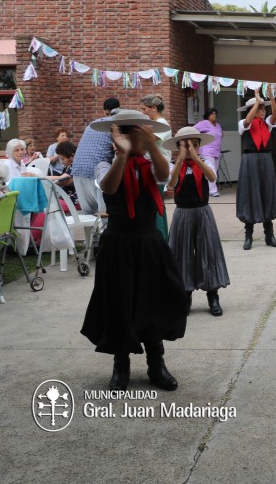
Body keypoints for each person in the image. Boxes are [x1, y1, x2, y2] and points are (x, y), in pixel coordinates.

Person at [80, 110, 187, 391]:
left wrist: (152, 144)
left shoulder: (151, 164)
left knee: (153, 302)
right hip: (118, 245)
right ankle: (121, 365)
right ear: (117, 139)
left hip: (149, 243)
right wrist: (124, 155)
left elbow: (166, 178)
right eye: (129, 135)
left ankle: (156, 364)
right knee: (120, 303)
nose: (135, 140)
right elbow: (110, 187)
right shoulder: (105, 165)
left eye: (139, 134)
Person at [165, 127, 230, 317]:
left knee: (208, 252)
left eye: (195, 144)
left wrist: (196, 158)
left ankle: (213, 296)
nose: (190, 148)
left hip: (202, 211)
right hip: (182, 213)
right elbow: (171, 183)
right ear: (178, 146)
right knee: (182, 253)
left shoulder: (206, 161)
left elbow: (211, 177)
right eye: (186, 145)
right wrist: (181, 158)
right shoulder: (172, 164)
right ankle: (185, 296)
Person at [237, 87, 276, 250]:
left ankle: (269, 235)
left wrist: (271, 98)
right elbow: (248, 122)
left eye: (263, 108)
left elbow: (275, 116)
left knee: (267, 193)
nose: (263, 111)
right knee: (250, 194)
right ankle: (248, 236)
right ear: (253, 109)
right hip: (250, 160)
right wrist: (257, 102)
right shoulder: (243, 123)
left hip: (265, 160)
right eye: (261, 108)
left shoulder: (266, 124)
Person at [74, 97, 121, 216]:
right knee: (104, 214)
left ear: (105, 110)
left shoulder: (93, 124)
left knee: (88, 216)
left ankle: (90, 235)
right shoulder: (116, 125)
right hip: (98, 172)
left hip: (78, 170)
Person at [140, 94, 172, 241]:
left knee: (156, 205)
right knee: (157, 205)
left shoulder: (162, 124)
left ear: (153, 108)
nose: (143, 112)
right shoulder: (154, 124)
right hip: (152, 169)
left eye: (144, 109)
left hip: (156, 170)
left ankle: (160, 239)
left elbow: (150, 141)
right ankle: (163, 239)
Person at [194, 109, 224, 197]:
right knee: (211, 170)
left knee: (214, 170)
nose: (214, 115)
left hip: (216, 151)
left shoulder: (218, 125)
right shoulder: (204, 123)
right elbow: (194, 129)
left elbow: (221, 134)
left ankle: (206, 189)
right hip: (207, 151)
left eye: (215, 114)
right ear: (208, 115)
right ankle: (213, 190)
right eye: (212, 114)